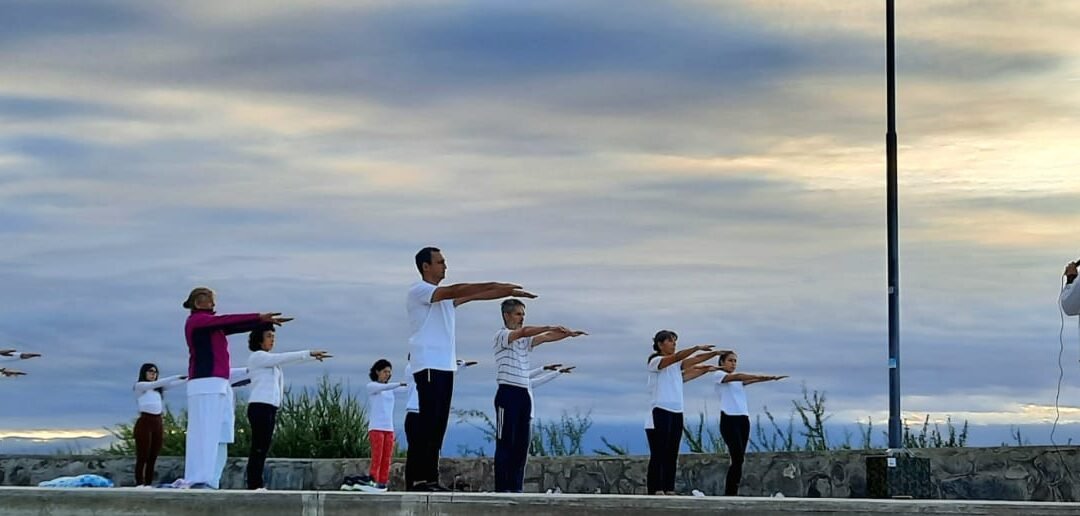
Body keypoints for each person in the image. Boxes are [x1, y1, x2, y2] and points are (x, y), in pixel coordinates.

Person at [406, 246, 534, 491]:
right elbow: (458, 289)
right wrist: (497, 284)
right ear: (426, 266)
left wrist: (502, 292)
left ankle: (430, 478)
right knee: (428, 423)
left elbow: (472, 295)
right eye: (440, 262)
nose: (445, 266)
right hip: (429, 364)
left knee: (438, 425)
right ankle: (418, 479)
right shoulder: (420, 290)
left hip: (444, 366)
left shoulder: (443, 300)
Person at [181, 286, 292, 489]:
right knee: (207, 432)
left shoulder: (212, 326)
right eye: (210, 301)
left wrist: (263, 321)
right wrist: (259, 316)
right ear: (198, 303)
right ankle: (199, 478)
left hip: (220, 384)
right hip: (205, 383)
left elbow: (233, 326)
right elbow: (227, 321)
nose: (214, 305)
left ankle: (212, 480)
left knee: (222, 434)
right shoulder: (197, 322)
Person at [492, 299, 587, 492]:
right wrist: (550, 326)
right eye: (518, 314)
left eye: (523, 314)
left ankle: (516, 487)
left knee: (521, 445)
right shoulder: (502, 335)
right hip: (507, 392)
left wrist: (567, 334)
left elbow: (545, 337)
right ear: (507, 315)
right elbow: (525, 331)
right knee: (505, 442)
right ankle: (502, 488)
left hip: (522, 394)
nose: (522, 318)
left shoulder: (525, 342)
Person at [245, 325, 330, 490]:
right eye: (269, 336)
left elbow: (286, 361)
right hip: (259, 406)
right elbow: (283, 358)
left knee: (263, 447)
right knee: (258, 447)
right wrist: (308, 352)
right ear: (259, 339)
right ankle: (254, 484)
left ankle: (256, 483)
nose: (272, 339)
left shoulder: (269, 361)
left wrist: (311, 358)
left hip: (269, 407)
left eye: (273, 336)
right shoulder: (257, 357)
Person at [644, 330, 718, 496]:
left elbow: (694, 363)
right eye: (670, 341)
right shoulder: (655, 361)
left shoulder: (676, 368)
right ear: (660, 344)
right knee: (659, 453)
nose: (674, 344)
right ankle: (656, 488)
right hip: (660, 410)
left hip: (676, 411)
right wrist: (697, 347)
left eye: (675, 342)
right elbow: (678, 358)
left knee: (672, 452)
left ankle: (669, 488)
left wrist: (714, 355)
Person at [714, 350, 787, 496]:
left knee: (740, 458)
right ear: (722, 362)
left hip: (743, 419)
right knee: (736, 456)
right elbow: (739, 376)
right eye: (730, 360)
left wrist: (770, 378)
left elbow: (749, 380)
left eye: (735, 361)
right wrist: (760, 376)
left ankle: (733, 489)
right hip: (729, 419)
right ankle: (730, 493)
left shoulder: (738, 382)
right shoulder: (719, 375)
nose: (733, 364)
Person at [400, 356, 477, 491]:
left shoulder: (430, 370)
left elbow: (443, 373)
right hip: (415, 412)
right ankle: (414, 483)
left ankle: (431, 480)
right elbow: (434, 371)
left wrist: (460, 365)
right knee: (415, 451)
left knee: (432, 447)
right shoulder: (412, 368)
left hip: (426, 413)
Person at [132, 363, 186, 487]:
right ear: (144, 372)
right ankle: (140, 483)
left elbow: (172, 385)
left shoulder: (158, 389)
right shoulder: (140, 386)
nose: (153, 374)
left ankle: (148, 483)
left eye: (155, 372)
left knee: (153, 455)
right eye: (150, 371)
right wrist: (175, 376)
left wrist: (189, 378)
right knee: (143, 455)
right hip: (145, 421)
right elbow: (156, 383)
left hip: (157, 422)